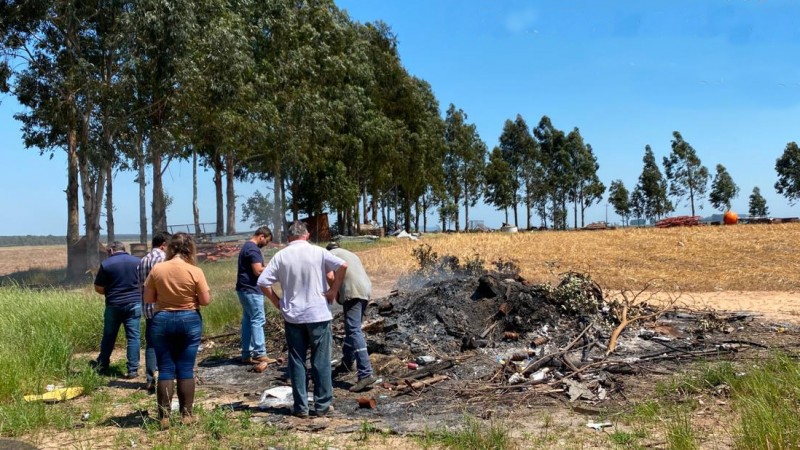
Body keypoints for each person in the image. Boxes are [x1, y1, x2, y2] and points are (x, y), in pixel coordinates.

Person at [257, 221, 347, 418]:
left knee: (297, 361)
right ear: (306, 235)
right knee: (321, 361)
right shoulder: (318, 252)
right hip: (318, 313)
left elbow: (262, 281)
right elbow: (342, 265)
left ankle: (301, 407)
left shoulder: (281, 255)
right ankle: (322, 405)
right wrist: (333, 290)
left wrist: (277, 302)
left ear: (289, 238)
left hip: (293, 315)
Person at [143, 233, 211, 429]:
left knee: (165, 369)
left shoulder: (157, 269)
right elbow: (205, 301)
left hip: (162, 319)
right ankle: (187, 415)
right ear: (190, 249)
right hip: (189, 319)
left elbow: (148, 299)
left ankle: (164, 417)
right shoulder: (195, 271)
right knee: (185, 368)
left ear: (170, 248)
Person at [326, 242, 376, 392]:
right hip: (365, 289)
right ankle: (347, 363)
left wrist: (335, 292)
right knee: (351, 328)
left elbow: (329, 276)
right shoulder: (350, 253)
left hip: (352, 291)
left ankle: (365, 373)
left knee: (354, 330)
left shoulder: (328, 255)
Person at [93, 241, 143, 379]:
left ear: (112, 250)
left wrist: (108, 292)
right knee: (133, 337)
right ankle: (133, 369)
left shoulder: (107, 264)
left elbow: (98, 287)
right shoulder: (138, 262)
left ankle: (102, 366)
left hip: (114, 304)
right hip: (134, 303)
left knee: (109, 336)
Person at [137, 231, 170, 394]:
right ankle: (166, 378)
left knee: (151, 344)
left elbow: (140, 286)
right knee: (167, 344)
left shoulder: (143, 260)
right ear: (164, 244)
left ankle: (150, 379)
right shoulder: (164, 259)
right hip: (163, 308)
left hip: (147, 308)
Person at [235, 226, 274, 364]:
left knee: (248, 321)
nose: (266, 244)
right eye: (267, 241)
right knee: (258, 319)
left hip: (243, 289)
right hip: (251, 289)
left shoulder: (246, 246)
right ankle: (259, 353)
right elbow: (258, 271)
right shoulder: (253, 249)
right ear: (261, 236)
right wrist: (272, 268)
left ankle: (246, 354)